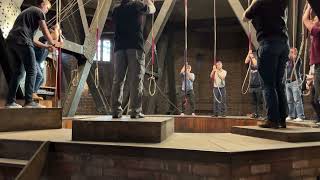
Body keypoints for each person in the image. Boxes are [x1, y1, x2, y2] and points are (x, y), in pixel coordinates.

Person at [5, 0, 60, 108]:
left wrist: (46, 46)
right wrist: (53, 43)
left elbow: (33, 40)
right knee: (32, 70)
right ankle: (29, 101)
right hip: (23, 41)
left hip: (11, 43)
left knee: (18, 73)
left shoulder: (27, 13)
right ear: (43, 4)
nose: (46, 11)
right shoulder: (38, 11)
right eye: (47, 8)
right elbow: (44, 30)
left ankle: (10, 102)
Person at [243, 0, 289, 128]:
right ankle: (282, 119)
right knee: (279, 83)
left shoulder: (259, 2)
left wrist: (253, 2)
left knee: (268, 84)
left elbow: (244, 17)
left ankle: (272, 120)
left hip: (268, 43)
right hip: (283, 44)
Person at [111, 0, 156, 119]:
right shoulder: (137, 5)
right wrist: (149, 2)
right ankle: (135, 111)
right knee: (136, 79)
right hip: (135, 46)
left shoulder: (116, 9)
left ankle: (115, 111)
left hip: (119, 47)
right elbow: (151, 10)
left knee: (118, 80)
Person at [33, 25, 62, 100]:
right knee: (39, 76)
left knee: (42, 79)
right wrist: (55, 30)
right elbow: (45, 38)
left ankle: (34, 92)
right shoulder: (43, 41)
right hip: (33, 59)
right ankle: (32, 93)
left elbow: (58, 43)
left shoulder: (48, 49)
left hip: (38, 62)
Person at [303, 4, 320, 124]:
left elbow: (304, 20)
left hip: (319, 66)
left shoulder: (318, 31)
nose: (313, 19)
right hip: (316, 66)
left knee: (317, 98)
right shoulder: (315, 33)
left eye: (316, 18)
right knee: (313, 99)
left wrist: (309, 6)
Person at [284, 48, 305, 122]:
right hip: (288, 82)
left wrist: (295, 54)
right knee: (289, 100)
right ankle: (291, 115)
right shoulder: (287, 61)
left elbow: (296, 57)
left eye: (293, 52)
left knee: (297, 100)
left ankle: (300, 116)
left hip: (295, 81)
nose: (291, 53)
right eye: (290, 52)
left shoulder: (297, 60)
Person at [245, 50, 264, 118]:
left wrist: (252, 57)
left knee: (259, 101)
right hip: (251, 85)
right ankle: (254, 113)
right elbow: (246, 61)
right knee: (253, 102)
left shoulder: (259, 65)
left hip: (259, 85)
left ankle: (261, 114)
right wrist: (248, 54)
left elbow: (256, 64)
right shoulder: (250, 66)